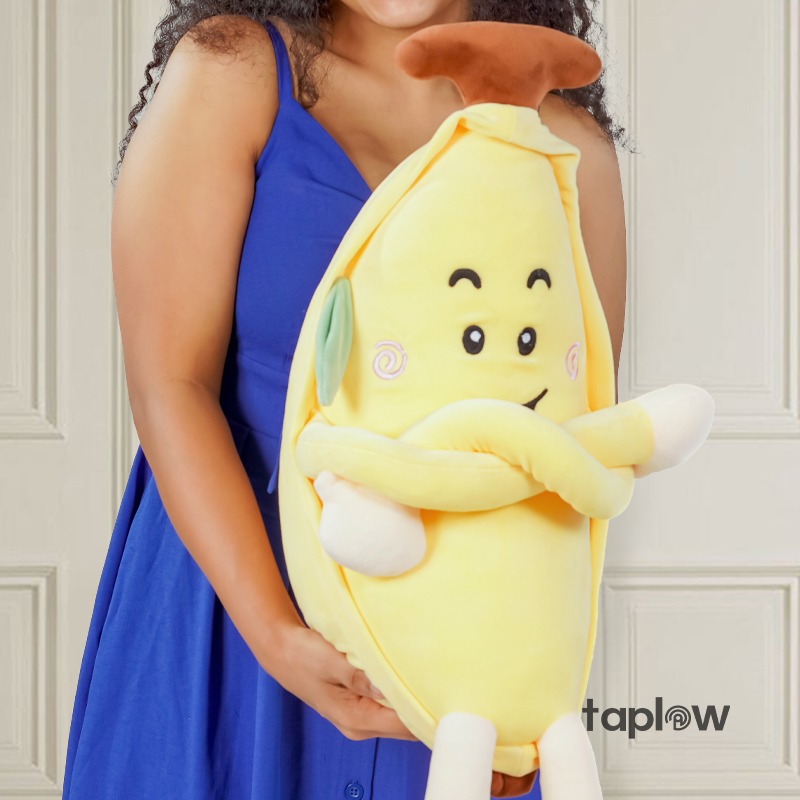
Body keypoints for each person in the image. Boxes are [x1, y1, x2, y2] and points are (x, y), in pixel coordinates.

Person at [62, 1, 629, 798]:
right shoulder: (234, 72)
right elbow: (170, 384)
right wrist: (276, 636)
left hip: (448, 671)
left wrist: (526, 695)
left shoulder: (568, 152)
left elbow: (562, 456)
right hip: (227, 620)